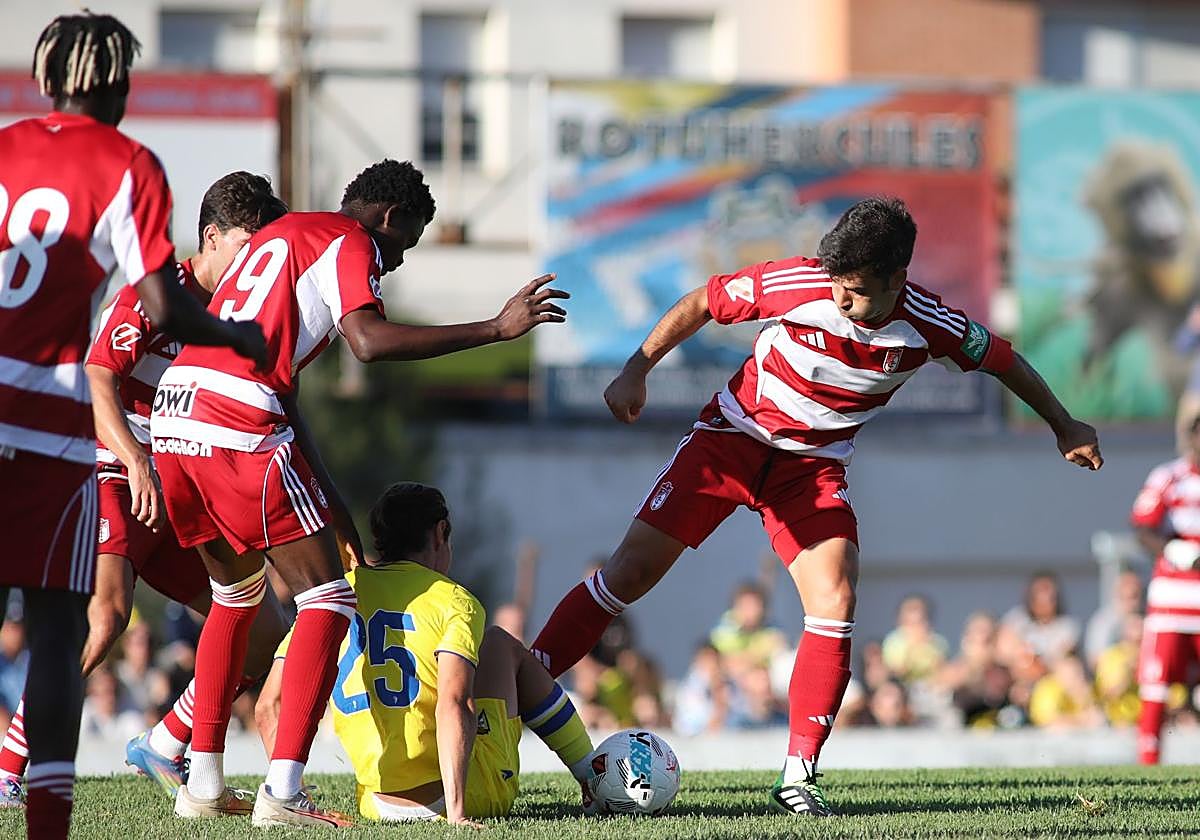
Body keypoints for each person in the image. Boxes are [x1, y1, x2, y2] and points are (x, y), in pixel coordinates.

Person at [530, 197, 1102, 817]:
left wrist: (1063, 424)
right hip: (733, 440)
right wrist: (636, 369)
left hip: (813, 470)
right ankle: (515, 694)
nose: (841, 298)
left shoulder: (930, 323)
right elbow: (702, 301)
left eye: (856, 290)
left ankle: (798, 778)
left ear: (896, 281)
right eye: (836, 284)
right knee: (628, 575)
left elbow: (1005, 360)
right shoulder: (797, 282)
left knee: (836, 598)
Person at [149, 158, 568, 826]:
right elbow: (367, 342)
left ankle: (200, 783)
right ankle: (283, 794)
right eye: (404, 245)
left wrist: (333, 510)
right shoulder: (350, 239)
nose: (394, 265)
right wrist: (493, 329)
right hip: (236, 418)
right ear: (389, 218)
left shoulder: (281, 236)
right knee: (327, 599)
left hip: (176, 415)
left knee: (234, 595)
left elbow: (286, 398)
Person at [0, 13, 265, 838]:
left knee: (252, 602)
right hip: (83, 447)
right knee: (88, 618)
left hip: (158, 477)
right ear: (121, 89)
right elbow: (111, 358)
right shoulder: (130, 171)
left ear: (46, 81)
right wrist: (233, 336)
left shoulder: (6, 147)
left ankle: (171, 738)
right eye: (245, 253)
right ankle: (17, 772)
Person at [255, 483, 595, 825]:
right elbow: (455, 702)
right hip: (453, 798)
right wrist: (457, 813)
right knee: (500, 645)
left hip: (374, 804)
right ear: (440, 532)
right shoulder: (453, 600)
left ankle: (286, 799)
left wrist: (291, 795)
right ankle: (593, 775)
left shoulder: (332, 600)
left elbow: (269, 706)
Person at [1130, 413, 1200, 764]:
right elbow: (1142, 529)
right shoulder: (1168, 477)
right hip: (1172, 600)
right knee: (1156, 684)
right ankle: (1149, 765)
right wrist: (1172, 549)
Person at [1000, 572, 1081, 667]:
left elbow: (1061, 659)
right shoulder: (1016, 619)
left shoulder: (1068, 627)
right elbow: (1003, 652)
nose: (1044, 598)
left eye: (1049, 595)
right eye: (1039, 593)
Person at [1084, 568, 1143, 669]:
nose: (1131, 603)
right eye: (1125, 597)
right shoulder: (1102, 621)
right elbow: (1094, 659)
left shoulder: (1147, 619)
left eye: (1134, 596)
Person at [881, 594, 949, 684]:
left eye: (919, 622)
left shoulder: (938, 642)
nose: (915, 628)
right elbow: (895, 671)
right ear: (899, 622)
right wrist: (913, 647)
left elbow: (943, 670)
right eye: (910, 623)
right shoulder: (893, 642)